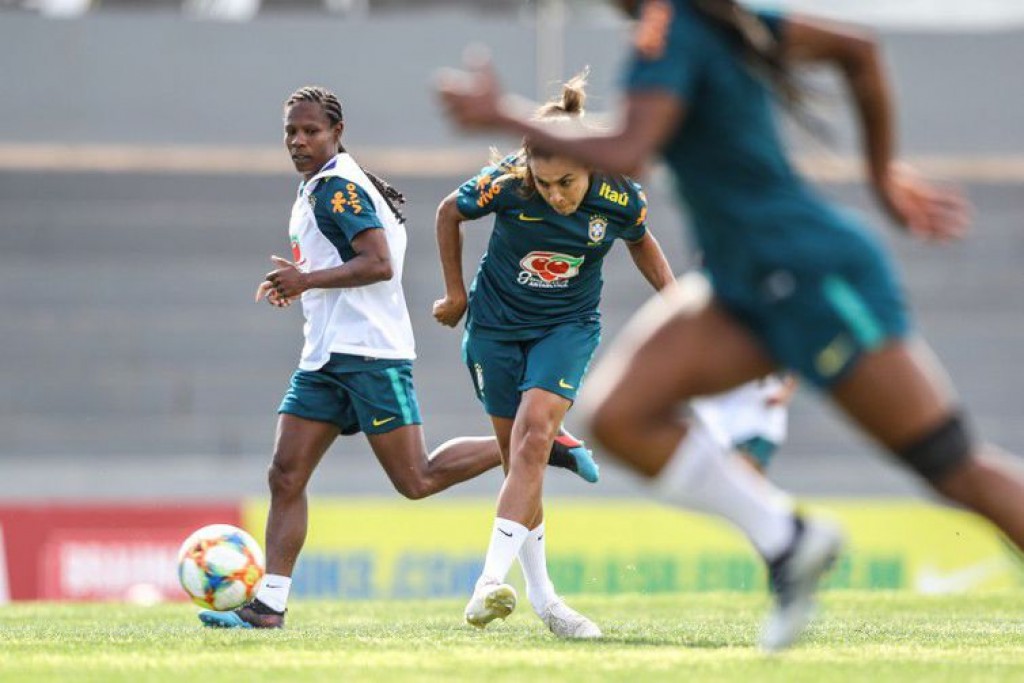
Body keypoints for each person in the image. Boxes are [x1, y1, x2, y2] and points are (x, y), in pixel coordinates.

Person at [437, 0, 1024, 652]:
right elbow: (855, 50)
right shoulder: (715, 19)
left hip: (803, 269)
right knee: (621, 415)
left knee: (952, 466)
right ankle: (788, 539)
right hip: (742, 283)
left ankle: (787, 538)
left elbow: (630, 146)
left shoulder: (671, 26)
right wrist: (881, 174)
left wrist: (503, 115)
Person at [199, 85, 597, 630]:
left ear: (337, 133)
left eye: (311, 130)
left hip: (370, 355)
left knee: (418, 480)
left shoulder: (337, 189)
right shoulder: (321, 186)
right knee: (285, 473)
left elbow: (379, 262)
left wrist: (304, 280)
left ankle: (541, 443)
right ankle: (269, 604)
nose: (298, 140)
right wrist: (302, 284)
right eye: (291, 131)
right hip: (324, 357)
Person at [433, 72, 676, 639]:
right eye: (545, 186)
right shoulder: (509, 184)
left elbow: (642, 240)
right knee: (521, 459)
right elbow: (449, 211)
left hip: (567, 327)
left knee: (533, 438)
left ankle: (487, 583)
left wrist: (678, 303)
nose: (556, 195)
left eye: (566, 182)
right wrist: (455, 294)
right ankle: (548, 604)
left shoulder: (619, 193)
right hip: (494, 328)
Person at [693, 374, 797, 474]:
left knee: (749, 469)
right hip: (736, 431)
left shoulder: (771, 375)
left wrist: (784, 392)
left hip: (763, 430)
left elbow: (781, 394)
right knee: (743, 472)